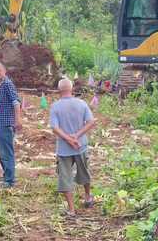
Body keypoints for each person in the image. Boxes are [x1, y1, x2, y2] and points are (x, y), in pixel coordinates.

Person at [49, 78, 96, 216]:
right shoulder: (81, 104)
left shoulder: (55, 106)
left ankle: (71, 209)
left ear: (59, 90)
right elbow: (91, 122)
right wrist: (76, 136)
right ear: (72, 88)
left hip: (64, 149)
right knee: (84, 172)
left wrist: (69, 139)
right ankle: (87, 197)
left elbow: (55, 128)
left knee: (65, 178)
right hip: (80, 146)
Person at [0, 62, 22, 188]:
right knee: (0, 151)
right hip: (0, 123)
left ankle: (9, 180)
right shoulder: (1, 86)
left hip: (7, 124)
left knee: (6, 152)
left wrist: (17, 120)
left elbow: (16, 102)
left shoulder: (7, 84)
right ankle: (8, 175)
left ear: (4, 71)